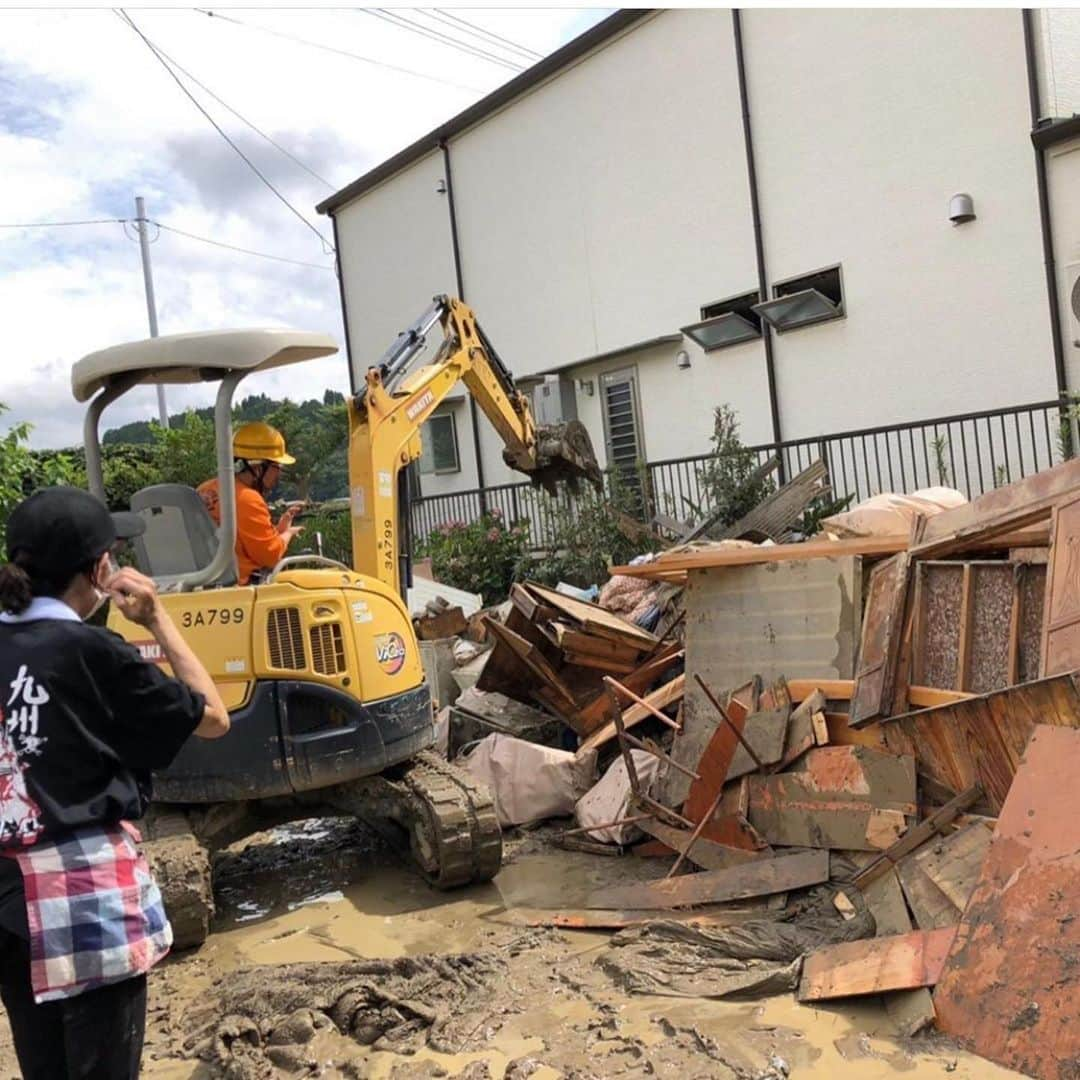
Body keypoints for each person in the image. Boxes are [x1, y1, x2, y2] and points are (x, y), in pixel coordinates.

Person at [0, 486, 230, 1079]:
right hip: (84, 902)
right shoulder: (93, 651)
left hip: (6, 903)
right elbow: (211, 717)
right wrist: (156, 618)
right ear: (101, 569)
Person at [197, 421, 304, 586]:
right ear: (259, 467)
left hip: (206, 584)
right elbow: (270, 556)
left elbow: (242, 541)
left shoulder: (205, 489)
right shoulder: (248, 499)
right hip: (240, 587)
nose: (278, 476)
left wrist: (278, 530)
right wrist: (288, 533)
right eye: (277, 467)